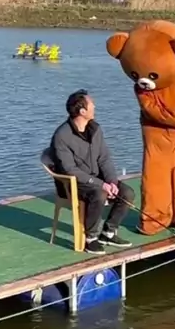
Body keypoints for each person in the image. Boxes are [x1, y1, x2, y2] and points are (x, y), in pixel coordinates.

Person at [49, 89, 135, 255]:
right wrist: (100, 184)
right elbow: (70, 170)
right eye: (91, 104)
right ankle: (91, 239)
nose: (94, 106)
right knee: (99, 194)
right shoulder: (62, 135)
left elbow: (104, 158)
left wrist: (112, 182)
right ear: (82, 111)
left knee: (127, 193)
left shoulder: (95, 129)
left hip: (97, 179)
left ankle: (108, 233)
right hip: (74, 184)